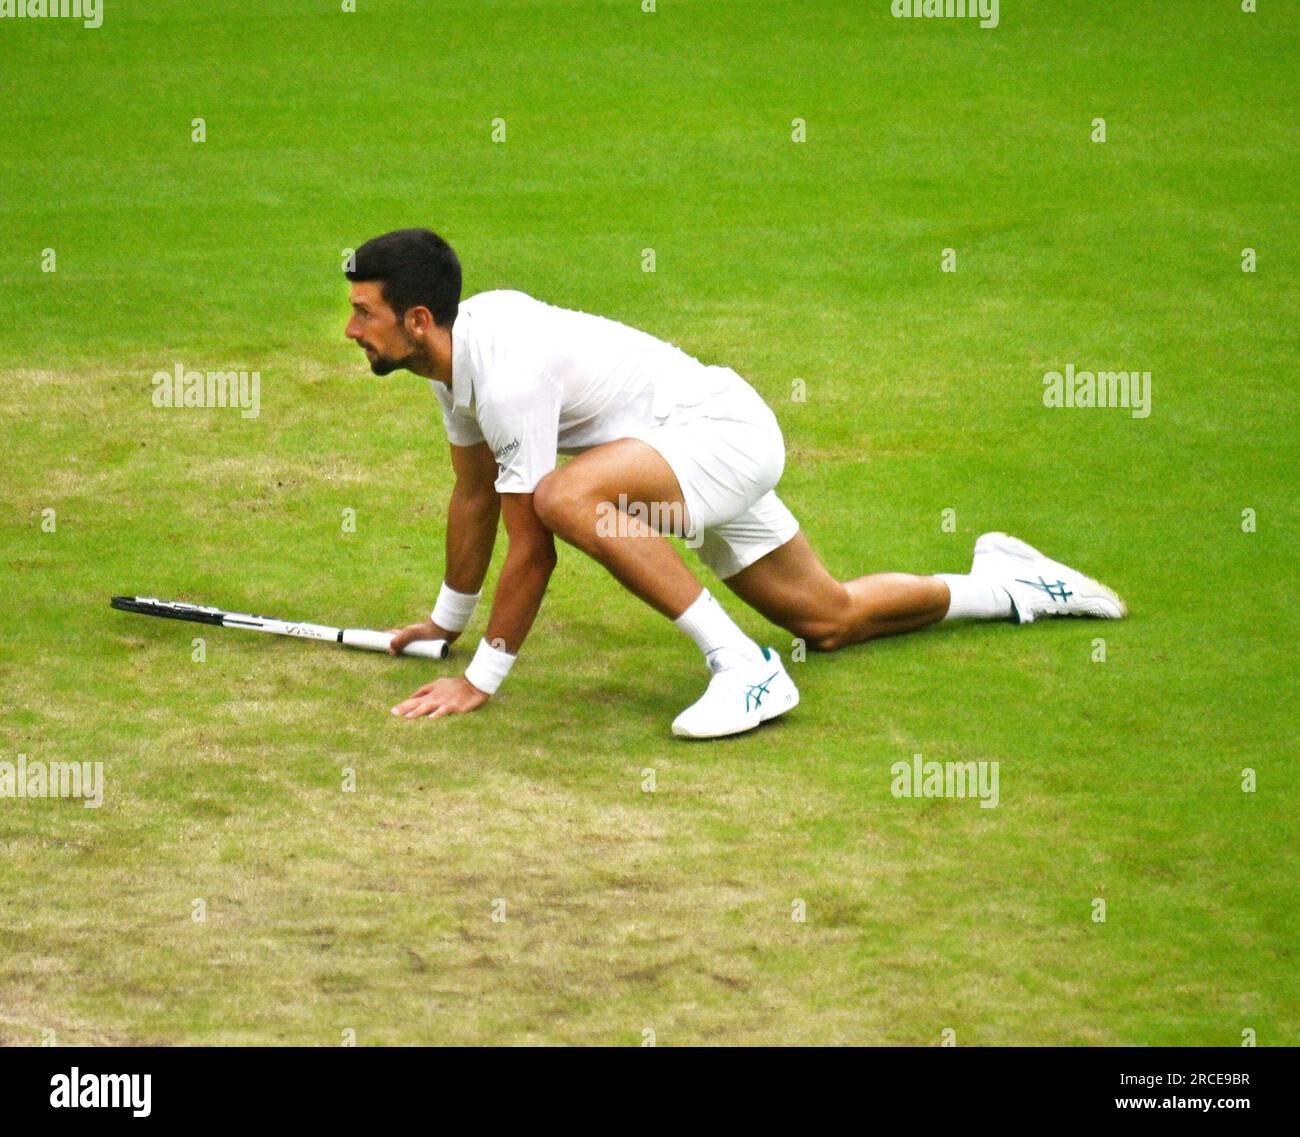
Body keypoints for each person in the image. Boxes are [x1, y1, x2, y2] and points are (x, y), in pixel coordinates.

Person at [343, 228, 1126, 738]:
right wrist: (447, 623)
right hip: (669, 455)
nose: (350, 330)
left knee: (562, 497)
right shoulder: (453, 365)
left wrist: (481, 679)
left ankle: (745, 667)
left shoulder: (506, 371)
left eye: (362, 313)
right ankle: (1014, 585)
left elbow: (533, 546)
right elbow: (474, 493)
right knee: (831, 617)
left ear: (417, 320)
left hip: (715, 436)